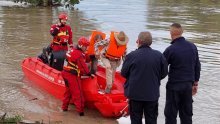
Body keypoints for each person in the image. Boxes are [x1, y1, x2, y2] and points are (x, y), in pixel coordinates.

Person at [121, 31, 168, 124]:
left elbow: (123, 73)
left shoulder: (131, 56)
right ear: (151, 42)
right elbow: (164, 73)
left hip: (135, 94)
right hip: (152, 94)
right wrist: (155, 79)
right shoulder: (159, 56)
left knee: (135, 119)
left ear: (138, 41)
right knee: (151, 119)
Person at [163, 23, 201, 124]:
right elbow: (197, 65)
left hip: (174, 86)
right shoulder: (192, 47)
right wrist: (195, 83)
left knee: (171, 115)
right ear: (182, 32)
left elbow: (161, 67)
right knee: (186, 115)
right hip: (188, 85)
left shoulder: (170, 49)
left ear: (171, 33)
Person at [61, 37, 90, 116]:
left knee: (68, 92)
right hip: (72, 75)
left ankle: (64, 108)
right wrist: (89, 74)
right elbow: (83, 67)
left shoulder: (72, 49)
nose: (86, 48)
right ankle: (81, 112)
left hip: (64, 73)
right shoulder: (78, 54)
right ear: (81, 46)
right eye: (86, 46)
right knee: (78, 93)